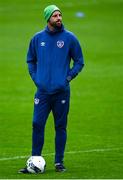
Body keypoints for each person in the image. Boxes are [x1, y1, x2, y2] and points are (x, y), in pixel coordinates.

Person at [19, 4, 84, 173]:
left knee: (60, 126)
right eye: (55, 16)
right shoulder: (37, 38)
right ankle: (34, 162)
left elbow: (79, 61)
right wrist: (36, 78)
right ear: (48, 18)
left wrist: (68, 78)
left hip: (61, 92)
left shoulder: (70, 38)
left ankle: (58, 162)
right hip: (42, 92)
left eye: (60, 15)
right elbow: (30, 60)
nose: (59, 18)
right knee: (37, 124)